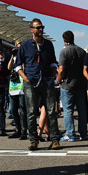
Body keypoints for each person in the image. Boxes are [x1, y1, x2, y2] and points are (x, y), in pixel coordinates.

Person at [15, 18, 60, 151]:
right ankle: (33, 140)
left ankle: (55, 139)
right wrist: (25, 78)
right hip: (31, 81)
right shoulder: (25, 46)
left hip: (46, 80)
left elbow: (53, 61)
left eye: (42, 27)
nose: (41, 30)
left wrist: (53, 74)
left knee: (51, 111)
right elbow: (18, 65)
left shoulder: (48, 45)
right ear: (32, 30)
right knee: (31, 112)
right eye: (38, 27)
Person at [58, 30, 88, 142]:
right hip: (80, 84)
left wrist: (59, 80)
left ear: (64, 40)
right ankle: (83, 133)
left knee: (68, 110)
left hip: (67, 84)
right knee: (82, 110)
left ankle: (70, 134)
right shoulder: (81, 51)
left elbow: (61, 70)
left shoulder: (64, 52)